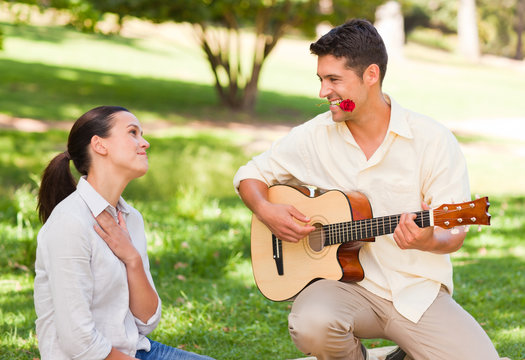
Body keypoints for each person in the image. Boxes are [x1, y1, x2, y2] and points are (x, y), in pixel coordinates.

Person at [233, 19, 501, 360]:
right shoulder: (315, 136)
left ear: (370, 75)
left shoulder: (431, 140)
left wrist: (429, 240)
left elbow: (455, 232)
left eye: (333, 80)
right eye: (320, 79)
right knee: (311, 323)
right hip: (344, 290)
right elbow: (249, 175)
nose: (322, 92)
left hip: (415, 293)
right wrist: (267, 210)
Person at [34, 106, 214, 360]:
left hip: (134, 350)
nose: (145, 143)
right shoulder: (70, 223)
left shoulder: (131, 218)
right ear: (99, 145)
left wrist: (132, 258)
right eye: (133, 133)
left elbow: (146, 321)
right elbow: (79, 342)